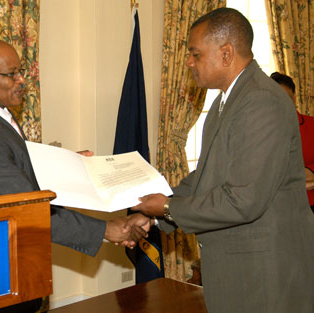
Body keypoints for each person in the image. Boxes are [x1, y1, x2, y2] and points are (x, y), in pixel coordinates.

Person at [127, 8, 314, 313]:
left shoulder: (261, 102)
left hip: (265, 272)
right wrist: (154, 216)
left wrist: (167, 206)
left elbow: (243, 198)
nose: (188, 62)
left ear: (226, 54)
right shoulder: (225, 101)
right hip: (239, 266)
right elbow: (206, 176)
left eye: (195, 54)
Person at [0, 38, 150, 313]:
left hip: (13, 266)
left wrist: (67, 163)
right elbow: (27, 208)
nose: (21, 80)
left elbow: (14, 169)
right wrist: (106, 229)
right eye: (11, 74)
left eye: (21, 71)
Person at [270, 72, 314, 213]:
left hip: (310, 203)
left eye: (287, 97)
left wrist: (312, 170)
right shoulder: (260, 130)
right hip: (276, 206)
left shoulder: (311, 124)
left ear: (294, 97)